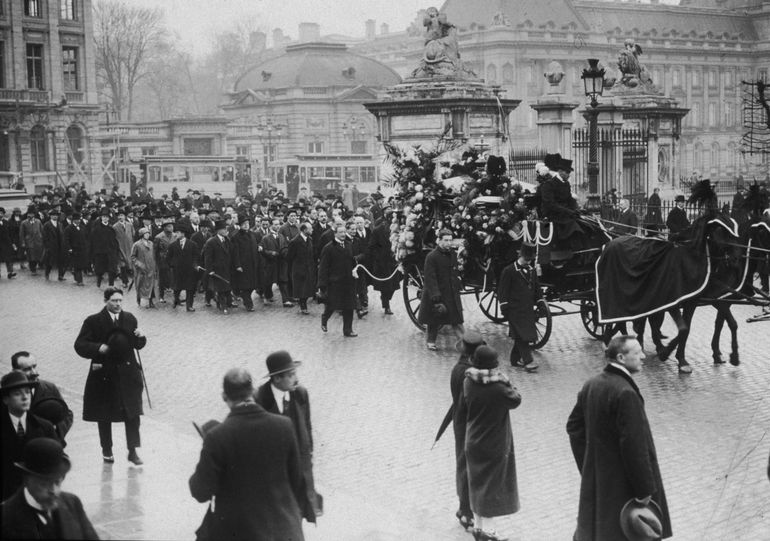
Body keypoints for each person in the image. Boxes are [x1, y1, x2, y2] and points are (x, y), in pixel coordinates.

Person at [566, 335, 672, 541]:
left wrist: (590, 466)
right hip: (625, 487)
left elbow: (573, 427)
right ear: (621, 358)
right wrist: (644, 490)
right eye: (637, 352)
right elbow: (635, 446)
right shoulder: (625, 393)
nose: (643, 356)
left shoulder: (592, 384)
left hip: (600, 483)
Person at [189, 368, 305, 541]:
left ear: (224, 397)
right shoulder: (284, 426)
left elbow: (200, 491)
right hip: (285, 532)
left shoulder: (216, 437)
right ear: (253, 392)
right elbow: (297, 481)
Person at [74, 287, 147, 465]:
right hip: (105, 376)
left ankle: (132, 450)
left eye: (120, 300)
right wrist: (98, 347)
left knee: (132, 413)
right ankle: (107, 450)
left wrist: (141, 337)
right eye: (114, 301)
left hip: (128, 375)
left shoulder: (129, 319)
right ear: (105, 300)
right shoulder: (93, 321)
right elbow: (80, 344)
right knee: (104, 414)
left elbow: (137, 345)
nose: (118, 304)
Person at [463, 346, 522, 541]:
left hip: (472, 440)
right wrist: (505, 380)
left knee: (477, 484)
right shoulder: (498, 388)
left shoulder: (468, 381)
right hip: (493, 443)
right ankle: (488, 532)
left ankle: (479, 528)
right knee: (490, 486)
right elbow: (516, 399)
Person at [254, 351, 320, 524]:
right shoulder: (259, 399)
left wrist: (309, 457)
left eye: (295, 374)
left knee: (296, 518)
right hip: (273, 476)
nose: (296, 379)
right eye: (291, 375)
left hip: (298, 471)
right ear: (276, 379)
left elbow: (307, 427)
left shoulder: (301, 394)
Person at [1, 438, 98, 540]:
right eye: (44, 484)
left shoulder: (72, 503)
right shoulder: (6, 518)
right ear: (27, 480)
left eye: (57, 482)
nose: (54, 491)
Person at [1, 371, 59, 500]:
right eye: (17, 394)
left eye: (27, 392)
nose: (25, 397)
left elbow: (58, 460)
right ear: (5, 399)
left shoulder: (45, 427)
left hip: (37, 496)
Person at [450, 331, 486, 532]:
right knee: (467, 466)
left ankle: (465, 507)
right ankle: (465, 510)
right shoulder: (468, 374)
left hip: (459, 420)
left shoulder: (458, 368)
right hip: (467, 424)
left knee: (464, 464)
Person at [497, 242, 542, 372]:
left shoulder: (532, 270)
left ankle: (514, 359)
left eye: (530, 259)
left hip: (527, 308)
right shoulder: (509, 271)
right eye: (527, 258)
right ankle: (528, 361)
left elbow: (536, 288)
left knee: (523, 334)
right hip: (514, 309)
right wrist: (504, 306)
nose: (529, 261)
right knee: (523, 335)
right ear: (521, 255)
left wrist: (539, 301)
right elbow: (502, 291)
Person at [418, 229, 464, 350]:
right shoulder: (432, 257)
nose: (448, 243)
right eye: (446, 240)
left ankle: (465, 343)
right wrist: (435, 295)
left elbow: (455, 273)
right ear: (439, 241)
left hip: (451, 292)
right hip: (438, 293)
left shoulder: (453, 255)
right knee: (434, 319)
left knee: (457, 320)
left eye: (450, 240)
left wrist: (458, 283)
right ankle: (431, 341)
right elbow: (430, 278)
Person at [12, 351, 73, 442]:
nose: (34, 372)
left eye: (34, 366)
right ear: (15, 371)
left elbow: (66, 415)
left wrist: (55, 433)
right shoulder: (8, 393)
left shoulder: (49, 387)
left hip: (50, 445)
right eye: (27, 369)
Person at [317, 223, 358, 337]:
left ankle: (348, 330)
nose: (343, 234)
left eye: (344, 232)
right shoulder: (328, 248)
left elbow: (352, 261)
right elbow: (323, 267)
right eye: (340, 232)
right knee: (332, 305)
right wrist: (322, 285)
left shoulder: (349, 245)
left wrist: (355, 268)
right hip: (335, 282)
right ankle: (325, 319)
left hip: (348, 282)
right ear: (335, 233)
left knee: (349, 306)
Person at [365, 209, 401, 314]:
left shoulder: (397, 230)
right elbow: (371, 246)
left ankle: (386, 299)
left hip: (393, 262)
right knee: (385, 286)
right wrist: (379, 257)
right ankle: (386, 305)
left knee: (394, 286)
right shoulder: (377, 230)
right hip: (382, 263)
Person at [167, 224, 200, 312]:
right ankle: (176, 300)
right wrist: (172, 265)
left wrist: (195, 265)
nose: (176, 234)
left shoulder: (192, 244)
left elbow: (196, 256)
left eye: (177, 233)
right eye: (176, 232)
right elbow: (168, 258)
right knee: (177, 288)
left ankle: (189, 306)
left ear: (183, 234)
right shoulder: (172, 245)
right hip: (177, 271)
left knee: (190, 289)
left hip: (189, 271)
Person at [231, 215, 261, 312]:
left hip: (253, 264)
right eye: (243, 224)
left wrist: (259, 247)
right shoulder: (236, 237)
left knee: (252, 285)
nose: (246, 226)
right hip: (244, 265)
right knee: (245, 286)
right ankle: (248, 304)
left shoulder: (253, 235)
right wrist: (238, 265)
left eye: (247, 224)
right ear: (240, 225)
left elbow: (257, 244)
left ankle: (242, 296)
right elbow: (235, 253)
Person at [203, 220, 234, 314]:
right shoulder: (211, 242)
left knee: (227, 288)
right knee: (220, 290)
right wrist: (210, 270)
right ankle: (223, 306)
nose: (225, 230)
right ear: (218, 230)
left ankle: (226, 303)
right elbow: (208, 258)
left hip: (227, 268)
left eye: (226, 229)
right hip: (217, 270)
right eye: (223, 229)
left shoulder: (227, 239)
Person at [287, 222, 316, 315]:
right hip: (299, 269)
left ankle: (302, 303)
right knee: (301, 289)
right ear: (304, 230)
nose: (312, 230)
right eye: (310, 228)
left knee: (308, 289)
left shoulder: (310, 239)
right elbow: (289, 256)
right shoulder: (295, 241)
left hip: (309, 268)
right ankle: (303, 306)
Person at [90, 208, 119, 287]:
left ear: (109, 218)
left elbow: (114, 240)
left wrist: (115, 250)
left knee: (112, 269)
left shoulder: (111, 229)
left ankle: (111, 285)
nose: (105, 218)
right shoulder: (96, 229)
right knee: (100, 270)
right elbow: (93, 241)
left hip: (110, 252)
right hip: (100, 253)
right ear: (101, 218)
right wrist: (95, 253)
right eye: (103, 217)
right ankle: (98, 283)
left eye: (106, 217)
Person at [131, 227, 158, 308]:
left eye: (148, 233)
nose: (147, 235)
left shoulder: (151, 244)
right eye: (145, 234)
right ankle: (139, 299)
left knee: (152, 285)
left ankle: (150, 301)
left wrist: (155, 266)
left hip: (151, 268)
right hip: (141, 270)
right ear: (142, 235)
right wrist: (139, 264)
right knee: (140, 285)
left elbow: (154, 256)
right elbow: (133, 257)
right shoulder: (137, 244)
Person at [154, 218, 176, 303]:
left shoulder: (175, 236)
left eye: (172, 226)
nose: (172, 228)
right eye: (169, 226)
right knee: (162, 279)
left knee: (173, 278)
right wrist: (156, 263)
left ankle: (176, 297)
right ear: (165, 228)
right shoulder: (159, 237)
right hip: (163, 260)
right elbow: (155, 251)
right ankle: (161, 296)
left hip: (173, 260)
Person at [63, 212, 88, 286]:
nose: (78, 221)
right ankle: (80, 281)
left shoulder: (82, 227)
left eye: (79, 219)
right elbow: (66, 239)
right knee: (77, 265)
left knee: (81, 264)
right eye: (76, 219)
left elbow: (86, 237)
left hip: (82, 249)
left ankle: (75, 275)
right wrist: (69, 248)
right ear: (73, 220)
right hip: (74, 249)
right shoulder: (68, 228)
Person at [42, 210, 66, 281]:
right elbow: (44, 237)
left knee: (61, 261)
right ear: (50, 216)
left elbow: (63, 235)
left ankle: (60, 276)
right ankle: (47, 274)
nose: (55, 216)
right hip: (51, 246)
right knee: (49, 261)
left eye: (56, 215)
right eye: (53, 215)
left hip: (60, 245)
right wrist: (47, 246)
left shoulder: (60, 224)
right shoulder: (47, 225)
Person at [113, 210, 134, 288]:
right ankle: (125, 281)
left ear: (125, 216)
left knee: (131, 263)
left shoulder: (130, 225)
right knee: (122, 265)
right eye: (119, 216)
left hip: (129, 247)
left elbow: (133, 234)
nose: (120, 217)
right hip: (121, 247)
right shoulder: (115, 226)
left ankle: (134, 278)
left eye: (122, 215)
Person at [20, 208, 44, 276]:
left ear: (34, 215)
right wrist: (23, 242)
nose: (30, 215)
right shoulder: (24, 223)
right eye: (29, 214)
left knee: (38, 255)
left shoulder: (38, 221)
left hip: (38, 241)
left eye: (32, 214)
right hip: (29, 241)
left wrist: (42, 238)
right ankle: (33, 269)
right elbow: (21, 234)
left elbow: (42, 231)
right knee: (31, 255)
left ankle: (36, 265)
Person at [0, 207, 17, 278]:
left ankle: (10, 272)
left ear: (3, 214)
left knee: (9, 258)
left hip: (7, 243)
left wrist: (12, 243)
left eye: (1, 213)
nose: (0, 214)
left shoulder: (6, 222)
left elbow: (10, 233)